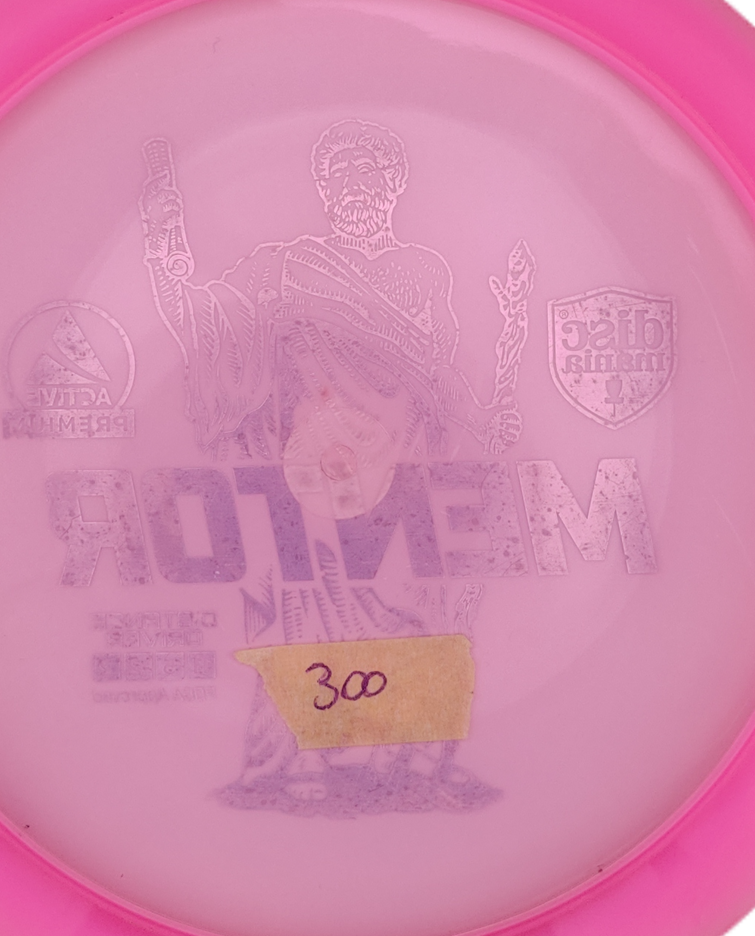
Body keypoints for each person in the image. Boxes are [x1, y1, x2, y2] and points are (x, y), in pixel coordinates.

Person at [139, 121, 525, 815]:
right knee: (308, 615)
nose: (355, 189)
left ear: (393, 187)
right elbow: (215, 322)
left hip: (405, 474)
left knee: (417, 611)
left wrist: (487, 415)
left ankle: (405, 760)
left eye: (369, 175)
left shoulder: (424, 271)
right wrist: (166, 254)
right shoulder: (288, 267)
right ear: (324, 189)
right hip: (316, 480)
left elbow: (442, 370)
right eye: (341, 177)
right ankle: (301, 761)